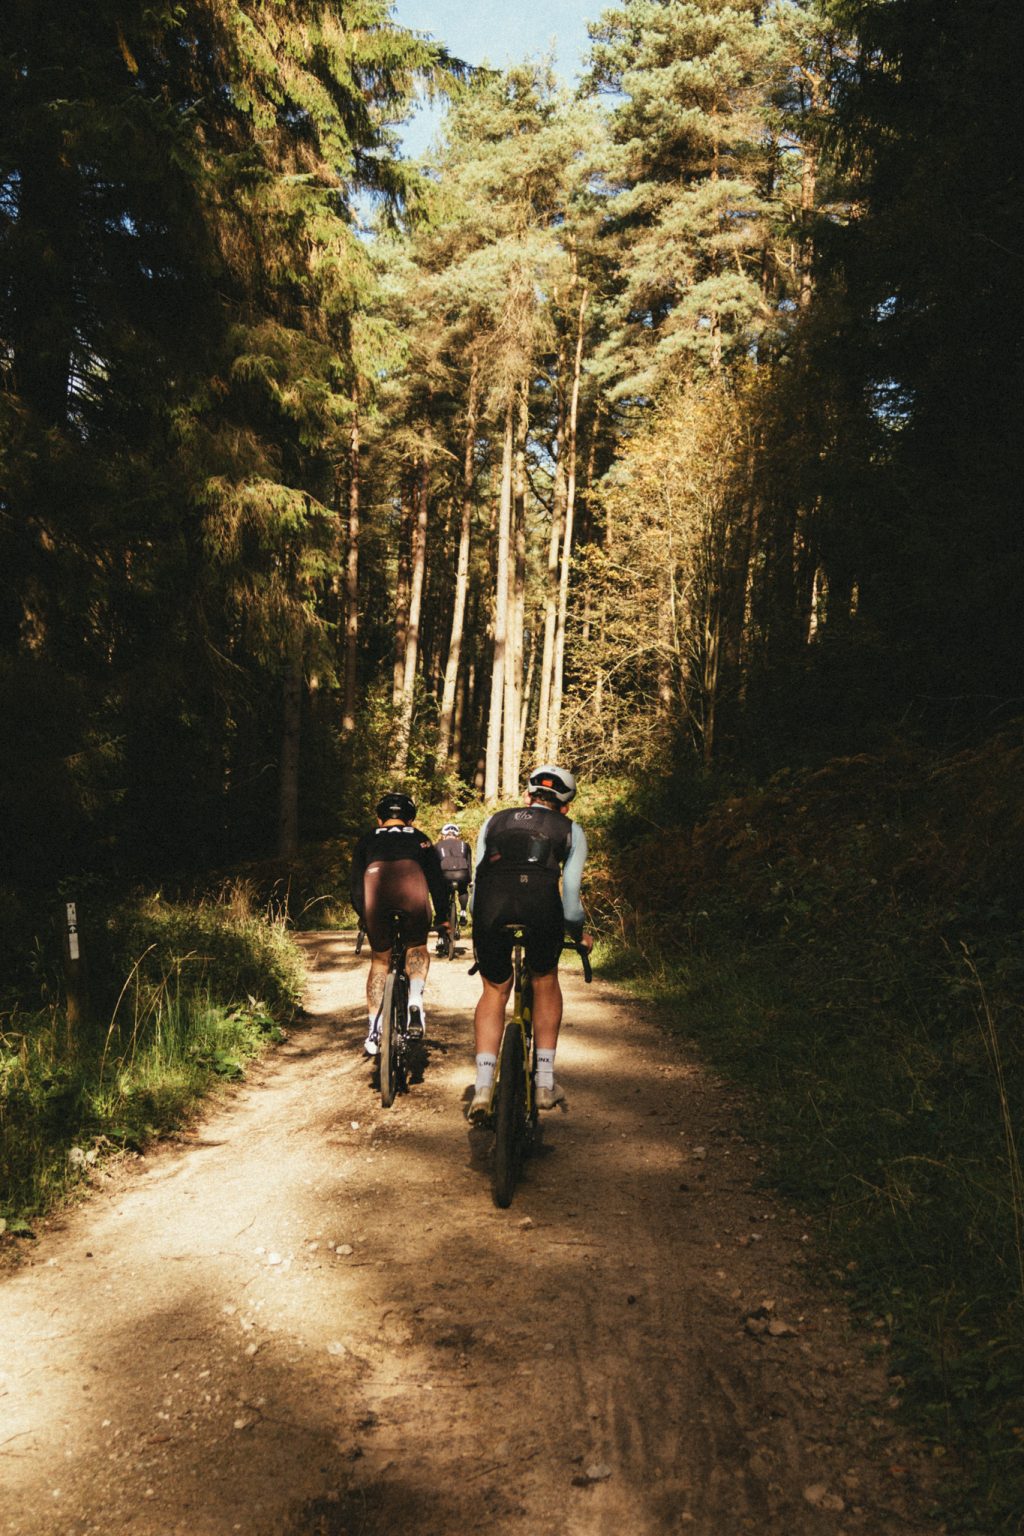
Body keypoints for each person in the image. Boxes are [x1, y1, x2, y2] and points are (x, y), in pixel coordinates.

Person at [468, 764, 592, 1118]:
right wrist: (577, 933)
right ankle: (544, 1084)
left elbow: (475, 892)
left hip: (489, 909)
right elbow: (571, 903)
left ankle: (482, 1088)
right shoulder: (571, 830)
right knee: (544, 979)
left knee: (494, 989)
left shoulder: (493, 822)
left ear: (527, 796)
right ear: (565, 806)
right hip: (541, 909)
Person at [349, 791, 450, 1056]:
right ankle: (415, 999)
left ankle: (374, 1029)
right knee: (416, 946)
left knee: (380, 960)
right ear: (410, 819)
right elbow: (437, 882)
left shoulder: (367, 838)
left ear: (379, 818)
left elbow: (355, 885)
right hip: (411, 884)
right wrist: (443, 917)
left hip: (376, 887)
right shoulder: (420, 838)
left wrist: (364, 915)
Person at [433, 821, 472, 953]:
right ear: (457, 835)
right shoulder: (464, 845)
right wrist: (470, 880)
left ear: (443, 835)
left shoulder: (437, 846)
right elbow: (469, 865)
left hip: (444, 876)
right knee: (463, 888)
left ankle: (440, 938)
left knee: (441, 905)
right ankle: (463, 912)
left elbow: (433, 866)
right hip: (462, 874)